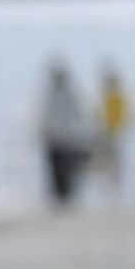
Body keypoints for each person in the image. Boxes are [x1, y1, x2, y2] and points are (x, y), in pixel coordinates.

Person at [40, 59, 91, 207]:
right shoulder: (53, 94)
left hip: (66, 141)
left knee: (65, 171)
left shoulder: (67, 95)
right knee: (56, 172)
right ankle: (59, 198)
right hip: (55, 139)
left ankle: (65, 198)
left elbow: (77, 116)